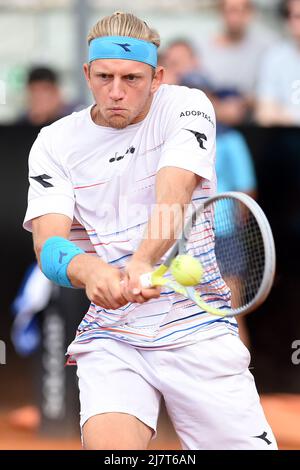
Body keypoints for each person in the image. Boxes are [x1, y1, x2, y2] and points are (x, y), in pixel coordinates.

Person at [23, 11, 277, 450]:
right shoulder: (54, 142)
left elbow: (173, 197)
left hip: (198, 327)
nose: (116, 92)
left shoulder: (187, 105)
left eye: (132, 78)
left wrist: (142, 261)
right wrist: (88, 270)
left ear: (157, 76)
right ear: (87, 73)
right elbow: (48, 244)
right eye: (104, 76)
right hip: (113, 336)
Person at [199, 0, 273, 124]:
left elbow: (273, 90)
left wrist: (244, 103)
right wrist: (218, 108)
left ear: (250, 13)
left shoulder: (267, 48)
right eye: (230, 11)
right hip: (208, 118)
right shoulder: (202, 47)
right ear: (220, 13)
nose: (234, 17)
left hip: (251, 121)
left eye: (240, 11)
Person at [255, 0, 300, 126]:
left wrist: (285, 112)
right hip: (288, 139)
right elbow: (265, 115)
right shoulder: (274, 57)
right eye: (296, 16)